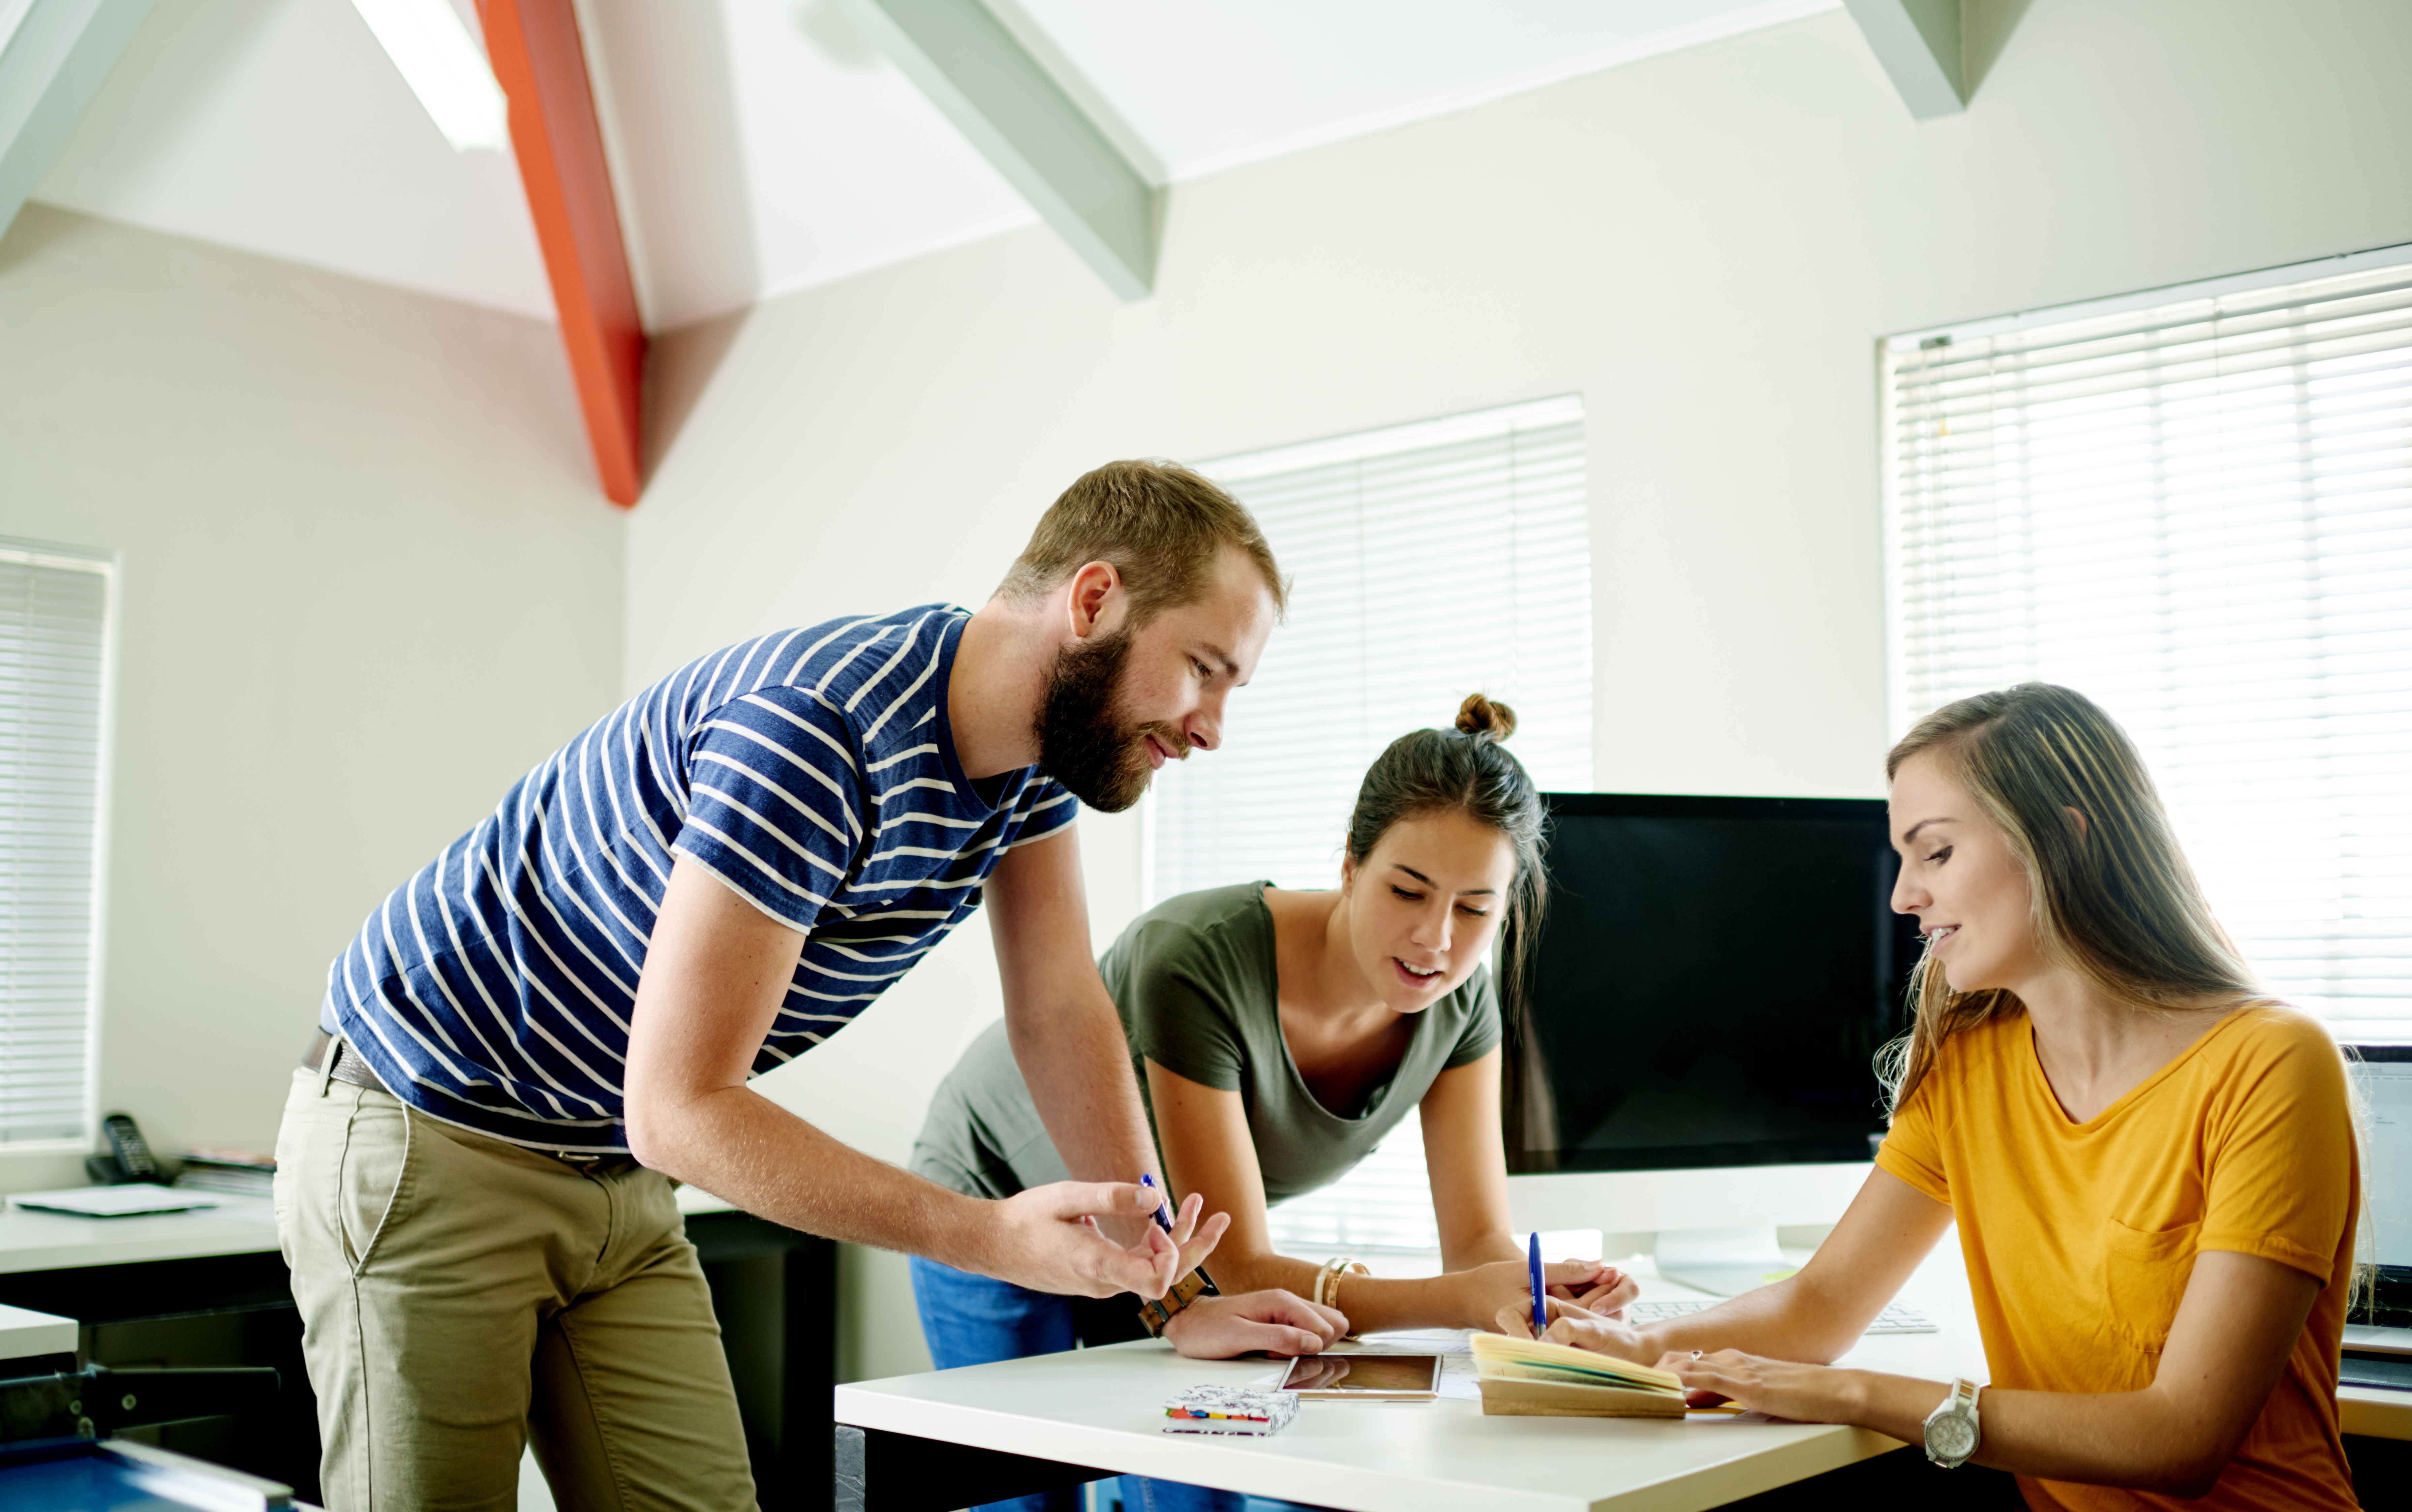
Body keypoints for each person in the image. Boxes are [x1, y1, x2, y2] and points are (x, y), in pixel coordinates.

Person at [274, 461, 1350, 1512]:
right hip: (428, 1133)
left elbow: (1059, 1009)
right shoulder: (817, 730)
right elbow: (682, 1107)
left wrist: (1170, 1292)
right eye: (1203, 667)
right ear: (1094, 599)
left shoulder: (1028, 767)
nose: (1211, 725)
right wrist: (984, 1233)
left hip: (613, 1166)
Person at [1498, 683, 2361, 1511]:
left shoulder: (2271, 1063)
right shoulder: (1971, 1066)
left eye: (1936, 852)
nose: (1903, 896)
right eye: (1904, 857)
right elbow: (1820, 1304)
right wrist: (1640, 1348)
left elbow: (2180, 1436)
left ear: (2065, 841)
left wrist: (1857, 1391)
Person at [912, 694, 1631, 1512]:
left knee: (1206, 1497)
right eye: (1408, 890)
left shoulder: (1464, 1002)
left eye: (1475, 909)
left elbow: (1474, 1239)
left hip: (1167, 1240)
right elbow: (1239, 1267)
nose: (1437, 938)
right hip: (1001, 1190)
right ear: (1351, 865)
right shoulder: (1193, 960)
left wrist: (1534, 1300)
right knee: (1027, 1497)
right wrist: (1454, 1299)